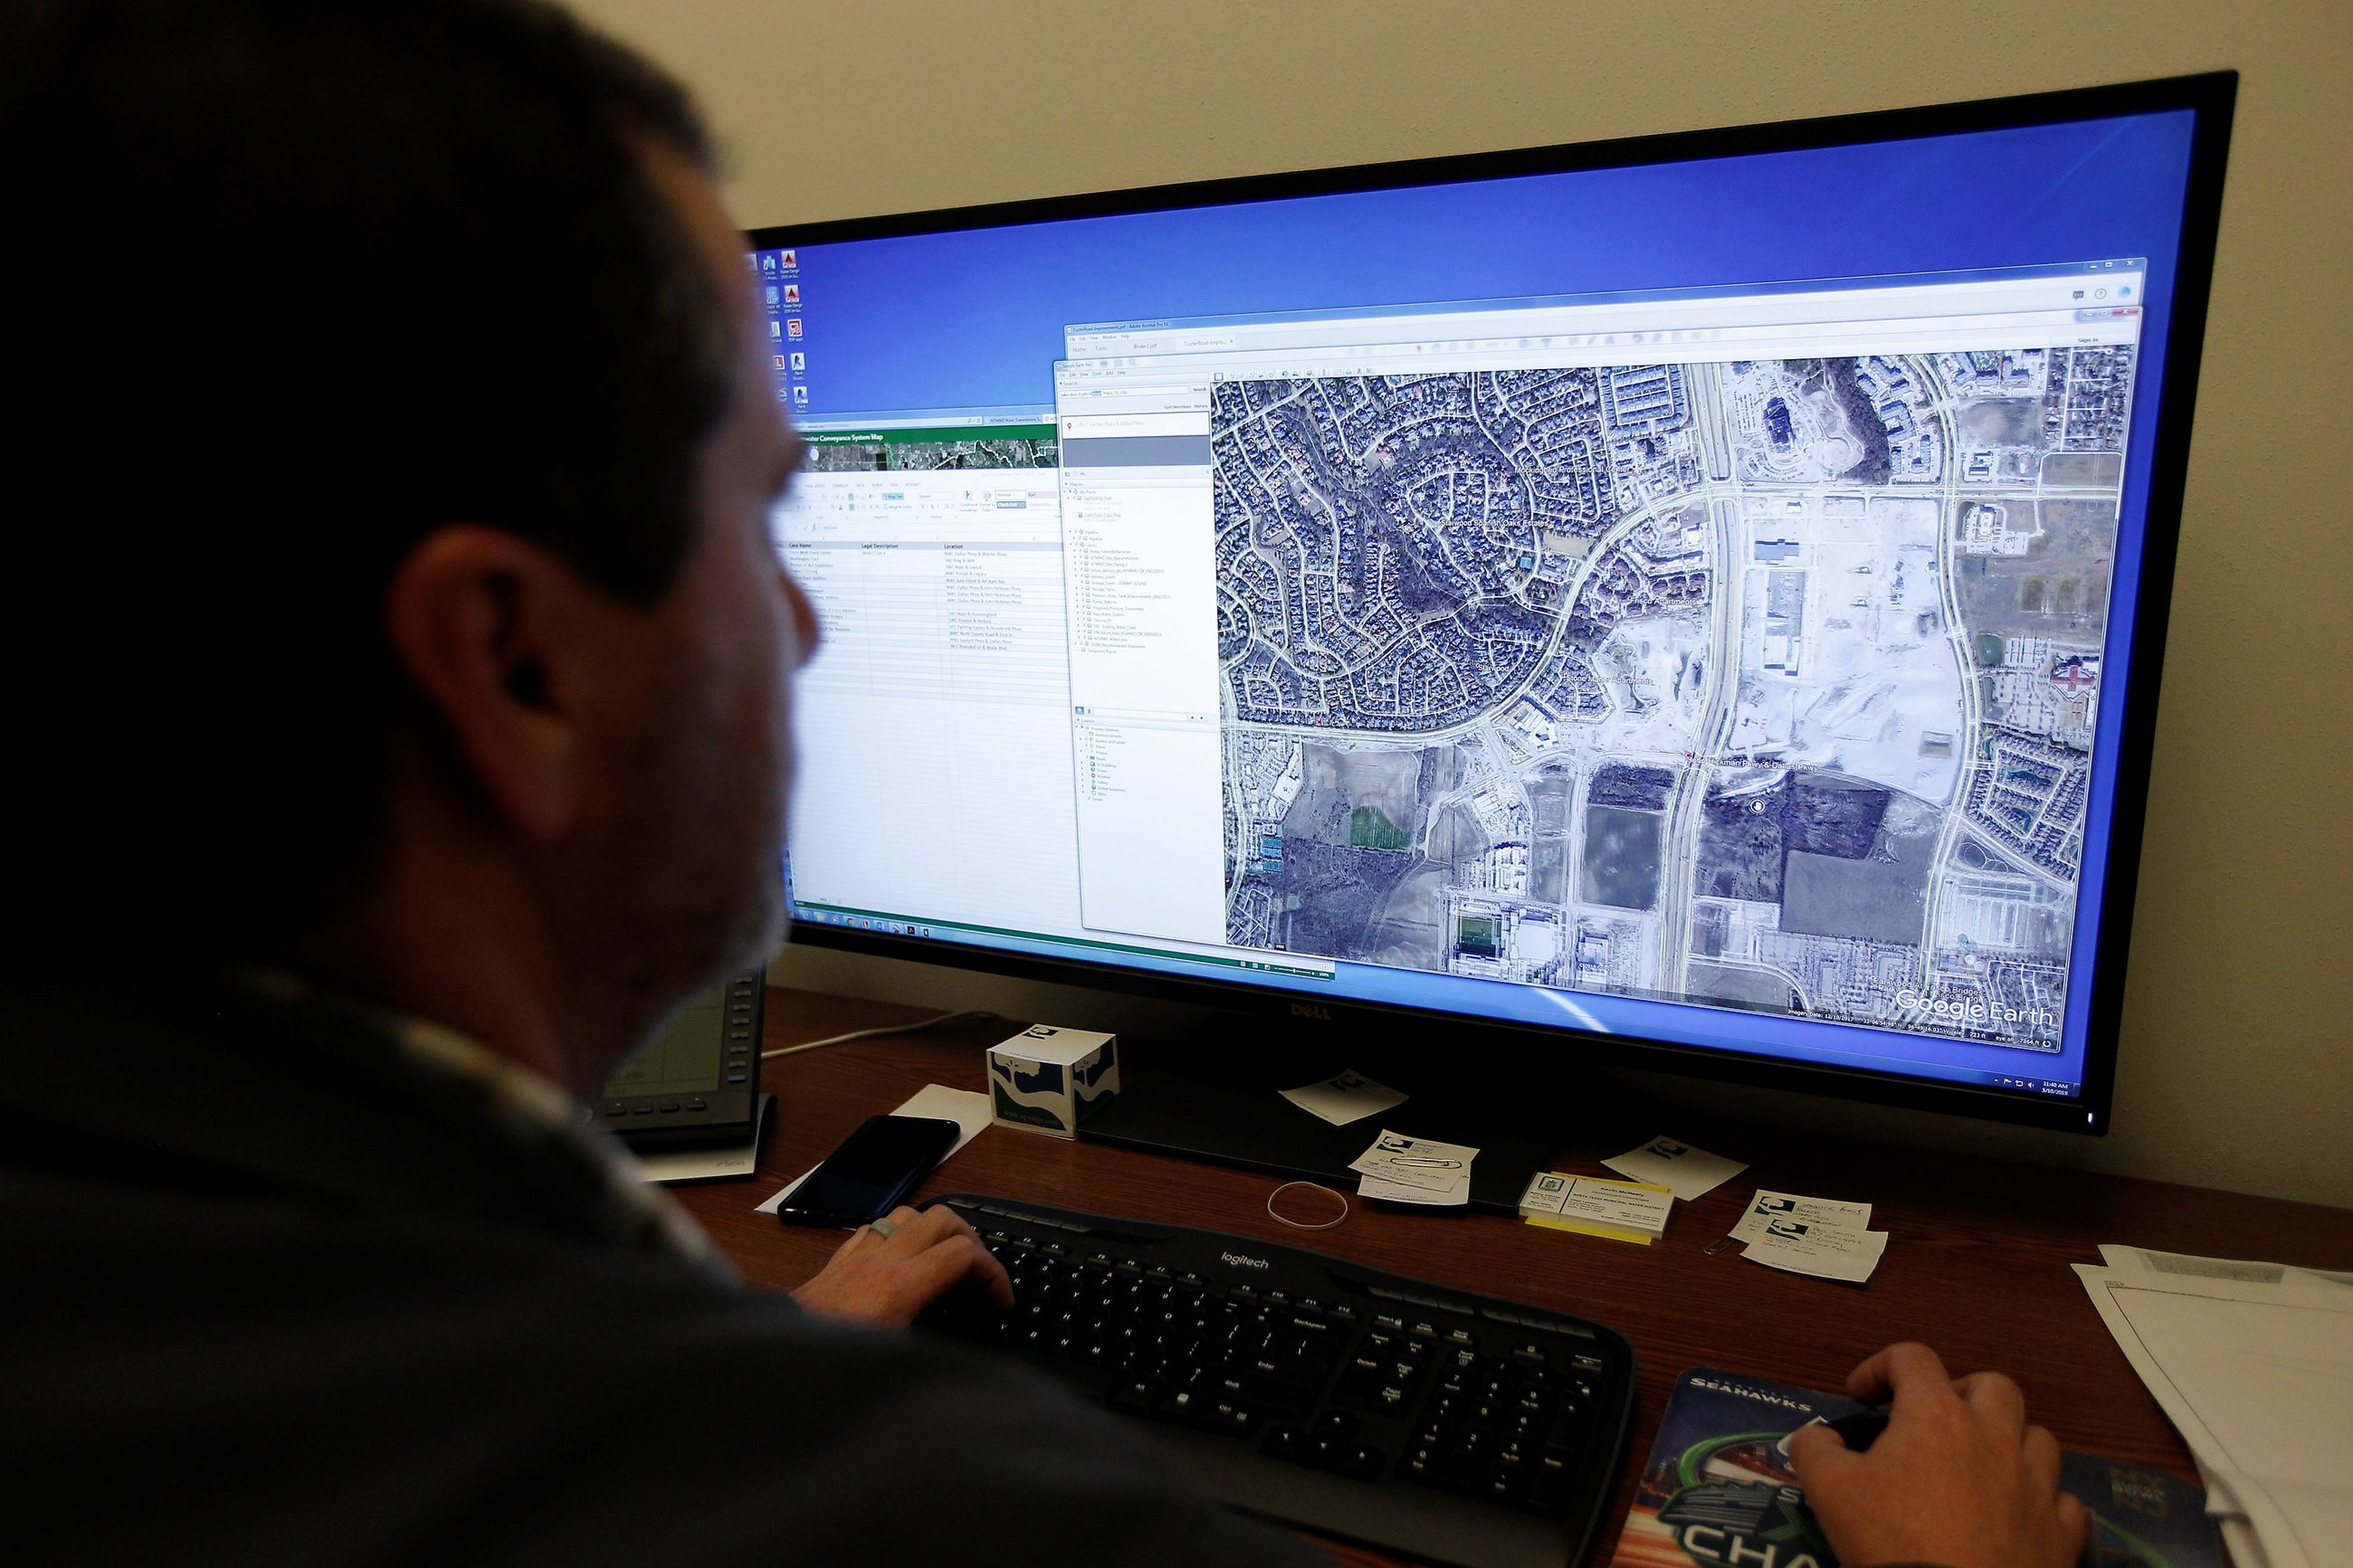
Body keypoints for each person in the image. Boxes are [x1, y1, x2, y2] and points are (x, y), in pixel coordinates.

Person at [0, 4, 2086, 1565]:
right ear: (517, 663)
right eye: (767, 515)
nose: (806, 632)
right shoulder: (879, 1511)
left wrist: (763, 1360)